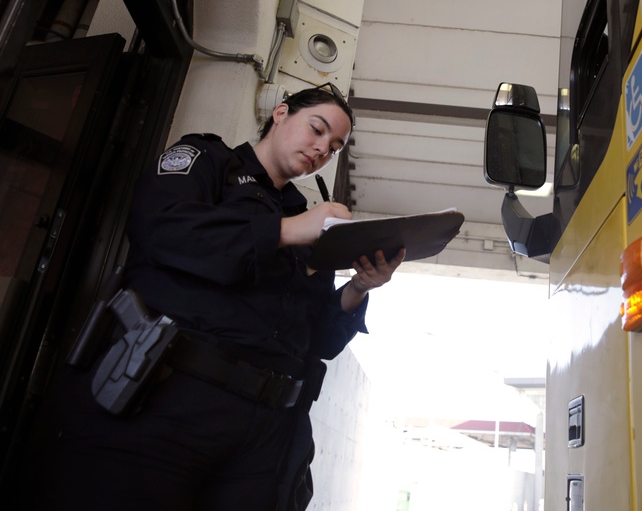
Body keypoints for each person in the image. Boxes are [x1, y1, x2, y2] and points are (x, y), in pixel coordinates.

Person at [23, 84, 405, 510]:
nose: (321, 149)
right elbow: (165, 231)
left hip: (266, 433)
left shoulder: (306, 218)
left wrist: (358, 287)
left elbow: (318, 341)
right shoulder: (208, 163)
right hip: (166, 402)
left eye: (333, 147)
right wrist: (286, 231)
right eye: (317, 130)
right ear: (281, 113)